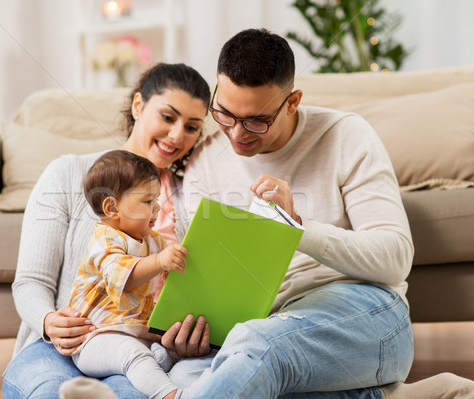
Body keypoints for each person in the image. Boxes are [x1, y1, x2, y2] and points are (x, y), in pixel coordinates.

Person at [170, 28, 474, 398]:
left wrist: (297, 227)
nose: (237, 134)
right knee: (187, 372)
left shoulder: (346, 136)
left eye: (256, 121)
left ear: (293, 101)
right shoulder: (205, 160)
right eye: (225, 114)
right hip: (263, 324)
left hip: (364, 311)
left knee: (258, 348)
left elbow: (395, 258)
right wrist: (195, 332)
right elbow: (210, 282)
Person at [2, 63, 212, 399]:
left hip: (143, 350)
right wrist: (49, 321)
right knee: (46, 393)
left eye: (192, 127)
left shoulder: (195, 197)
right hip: (61, 345)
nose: (177, 135)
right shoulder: (68, 173)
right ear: (139, 106)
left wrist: (187, 336)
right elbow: (31, 281)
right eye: (168, 117)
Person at [65, 149, 187, 399]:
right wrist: (160, 261)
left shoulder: (153, 241)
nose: (157, 209)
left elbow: (173, 278)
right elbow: (123, 275)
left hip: (135, 331)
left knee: (166, 351)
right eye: (147, 201)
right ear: (112, 207)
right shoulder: (106, 240)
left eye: (157, 200)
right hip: (94, 338)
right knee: (132, 353)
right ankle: (171, 395)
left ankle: (161, 368)